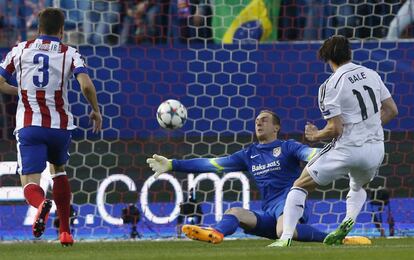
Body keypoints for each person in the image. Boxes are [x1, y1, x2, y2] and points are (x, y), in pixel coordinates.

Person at [269, 35, 398, 247]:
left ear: (326, 57)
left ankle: (285, 239)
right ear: (349, 53)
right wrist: (369, 128)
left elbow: (335, 129)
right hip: (375, 150)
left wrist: (315, 135)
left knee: (299, 185)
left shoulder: (330, 85)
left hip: (348, 149)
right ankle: (349, 220)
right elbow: (392, 110)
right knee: (357, 187)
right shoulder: (372, 74)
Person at [147, 110, 330, 244]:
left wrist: (331, 153)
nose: (258, 123)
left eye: (264, 120)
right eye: (257, 120)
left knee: (283, 230)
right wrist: (173, 164)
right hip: (269, 212)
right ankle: (215, 234)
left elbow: (311, 154)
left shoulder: (288, 147)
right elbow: (212, 164)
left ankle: (333, 239)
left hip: (289, 205)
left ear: (277, 127)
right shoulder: (249, 154)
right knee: (234, 212)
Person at [0, 8, 102, 246]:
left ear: (38, 28)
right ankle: (65, 232)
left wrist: (22, 92)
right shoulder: (70, 53)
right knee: (59, 170)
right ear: (62, 30)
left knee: (30, 182)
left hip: (30, 125)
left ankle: (40, 205)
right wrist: (96, 110)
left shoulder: (20, 49)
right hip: (60, 127)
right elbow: (86, 85)